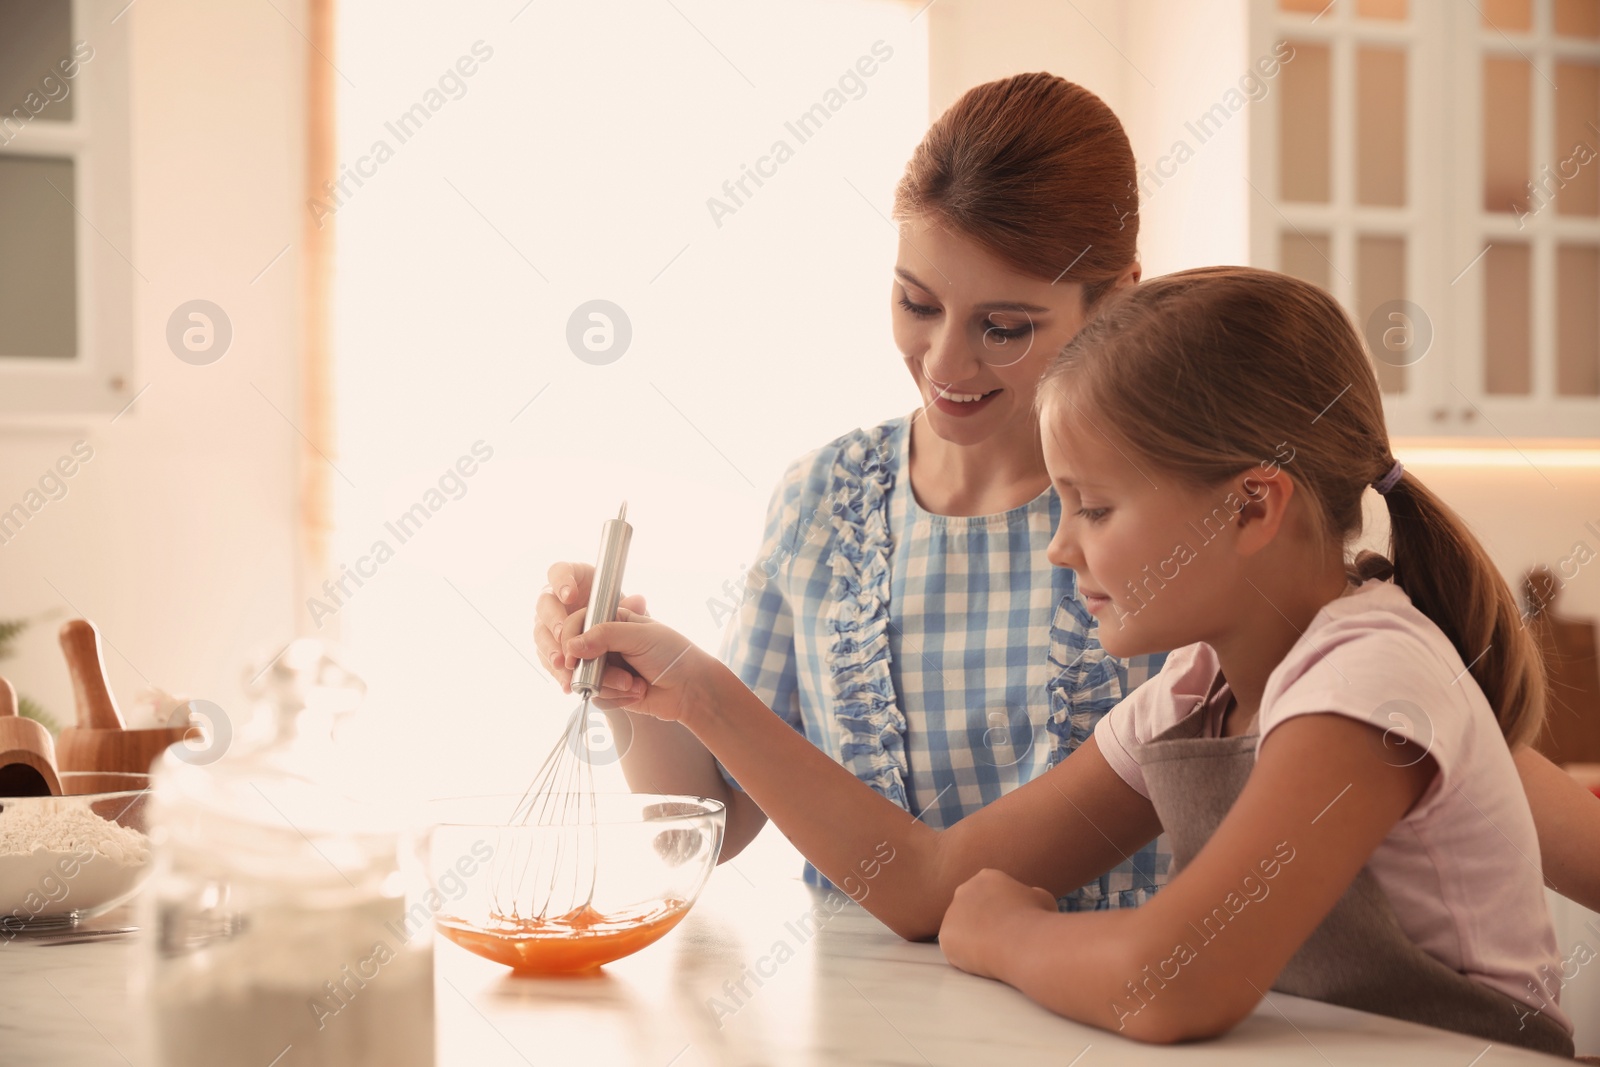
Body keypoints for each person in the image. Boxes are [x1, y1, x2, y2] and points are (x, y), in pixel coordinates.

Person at [553, 268, 1577, 1054]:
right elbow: (928, 878)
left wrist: (1002, 934)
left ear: (1251, 505)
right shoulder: (1191, 694)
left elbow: (1172, 977)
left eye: (1091, 506)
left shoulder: (1367, 680)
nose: (1060, 544)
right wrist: (690, 686)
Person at [538, 73, 1168, 909]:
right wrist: (627, 677)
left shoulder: (1172, 511)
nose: (945, 363)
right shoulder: (823, 500)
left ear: (1115, 298)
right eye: (917, 302)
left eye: (1003, 328)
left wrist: (700, 688)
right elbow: (709, 820)